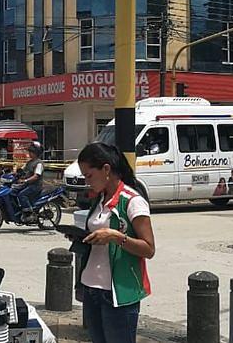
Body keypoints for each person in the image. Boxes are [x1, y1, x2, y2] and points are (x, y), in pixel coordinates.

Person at [75, 142, 155, 343]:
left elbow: (149, 248)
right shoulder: (99, 200)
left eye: (89, 175)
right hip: (91, 287)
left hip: (119, 292)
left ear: (106, 169)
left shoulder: (132, 201)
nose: (87, 181)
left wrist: (116, 237)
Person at [15, 141, 45, 220]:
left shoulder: (39, 163)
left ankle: (29, 213)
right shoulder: (29, 162)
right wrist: (14, 174)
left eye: (31, 151)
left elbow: (36, 176)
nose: (29, 153)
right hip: (28, 184)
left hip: (35, 186)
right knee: (13, 190)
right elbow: (21, 170)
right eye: (29, 151)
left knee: (22, 195)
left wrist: (25, 181)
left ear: (36, 153)